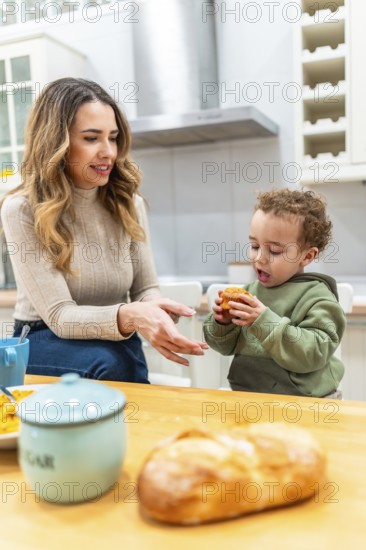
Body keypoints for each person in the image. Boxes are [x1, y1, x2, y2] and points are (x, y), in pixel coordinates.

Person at [0, 77, 208, 383]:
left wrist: (154, 310)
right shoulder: (22, 209)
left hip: (113, 340)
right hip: (41, 338)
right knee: (111, 362)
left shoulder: (128, 203)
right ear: (57, 142)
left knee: (120, 355)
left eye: (113, 137)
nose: (108, 151)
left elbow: (144, 289)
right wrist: (132, 315)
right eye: (91, 138)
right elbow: (59, 316)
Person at [203, 188, 346, 398]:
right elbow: (222, 347)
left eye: (274, 251)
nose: (259, 258)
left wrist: (264, 321)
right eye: (254, 246)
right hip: (249, 397)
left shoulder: (317, 298)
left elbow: (313, 353)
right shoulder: (250, 293)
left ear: (307, 256)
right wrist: (223, 324)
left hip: (307, 403)